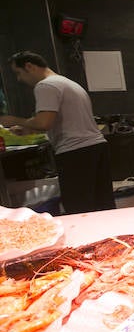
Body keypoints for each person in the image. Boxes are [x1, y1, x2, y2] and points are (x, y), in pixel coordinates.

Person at [1, 50, 115, 213]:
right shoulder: (67, 83)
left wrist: (13, 120)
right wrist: (28, 128)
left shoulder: (45, 86)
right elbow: (63, 120)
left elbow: (44, 122)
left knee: (79, 209)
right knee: (103, 206)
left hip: (75, 152)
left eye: (18, 73)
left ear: (29, 66)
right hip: (96, 148)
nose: (19, 79)